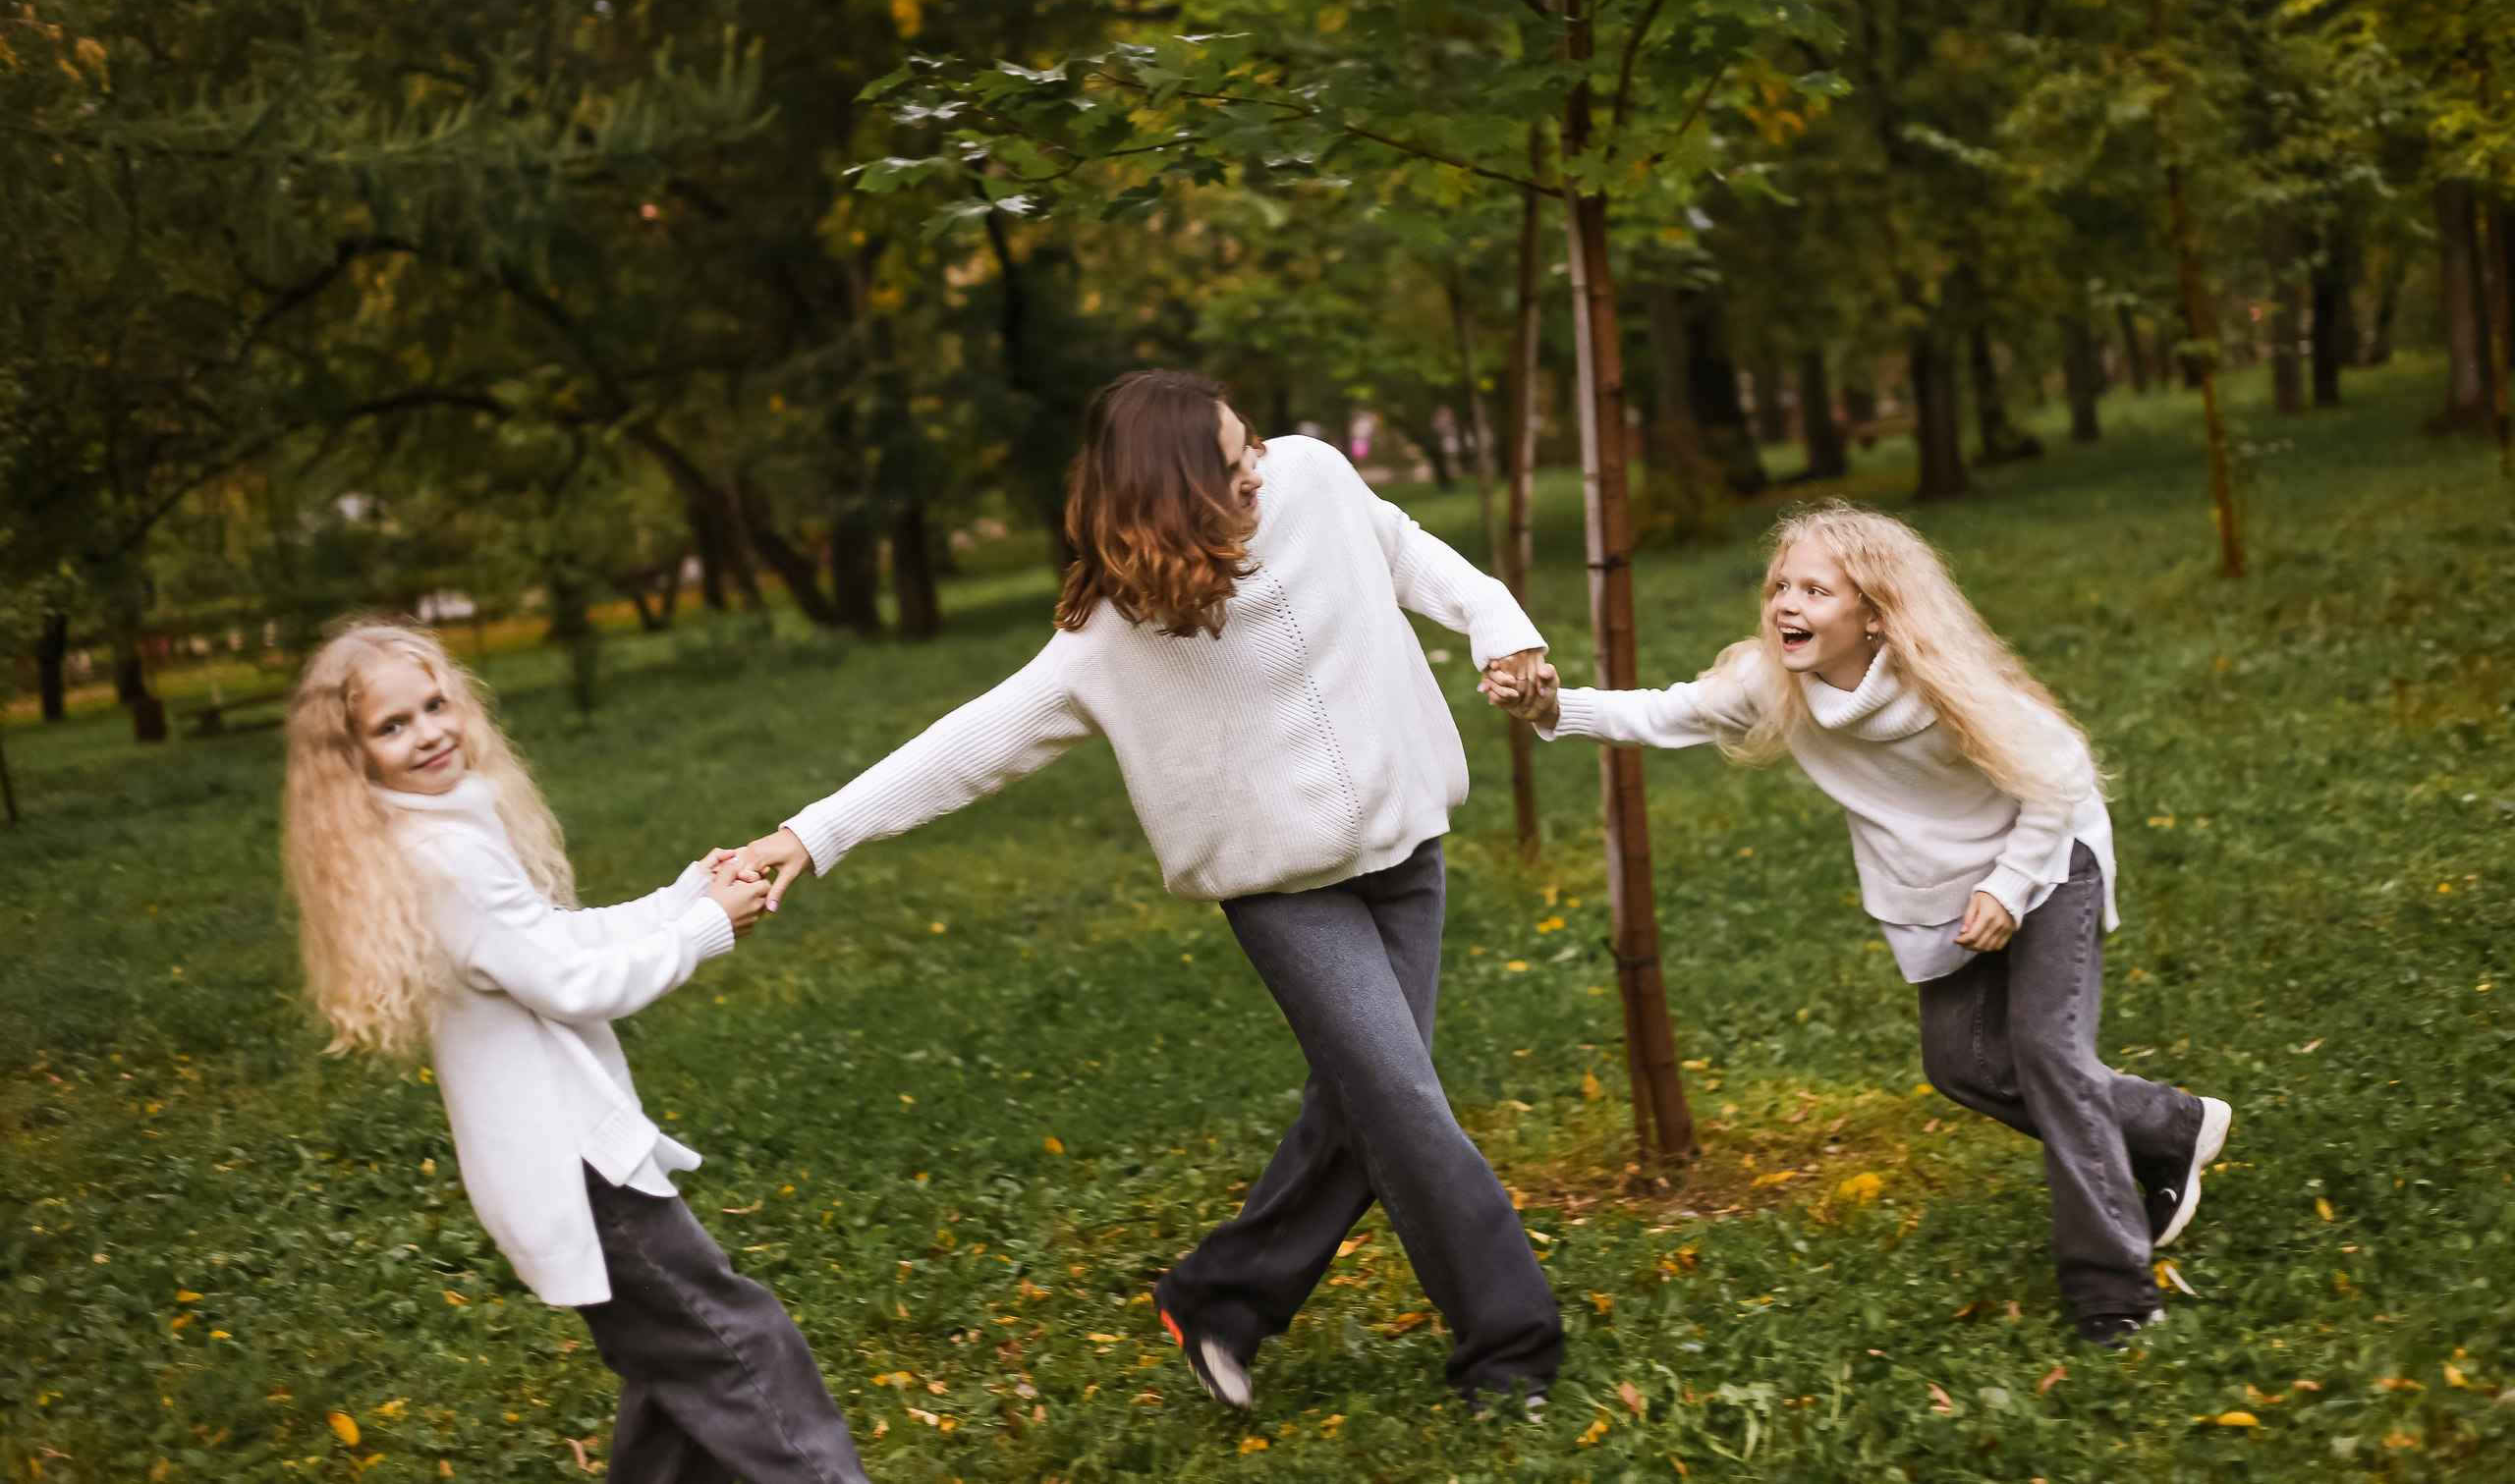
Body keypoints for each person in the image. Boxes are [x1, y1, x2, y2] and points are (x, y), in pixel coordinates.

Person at [740, 369, 1564, 1413]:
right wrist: (811, 835)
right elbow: (970, 746)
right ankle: (1510, 1352)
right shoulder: (1114, 636)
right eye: (1229, 467)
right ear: (1172, 494)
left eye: (1250, 442)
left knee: (1368, 1108)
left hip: (1407, 858)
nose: (1257, 468)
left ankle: (1219, 1299)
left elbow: (1411, 552)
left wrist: (1503, 630)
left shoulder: (1313, 477)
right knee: (1401, 1102)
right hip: (1285, 897)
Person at [1481, 502, 2231, 1349]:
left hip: (2049, 855)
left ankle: (2114, 1288)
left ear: (1873, 613)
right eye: (1778, 587)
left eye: (1815, 590)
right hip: (1944, 889)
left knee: (2050, 1054)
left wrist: (2013, 885)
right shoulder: (1776, 682)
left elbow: (2058, 771)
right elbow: (1666, 712)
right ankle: (2169, 1127)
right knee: (1964, 1064)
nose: (1786, 606)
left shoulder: (1938, 682)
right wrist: (1551, 705)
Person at [282, 622, 873, 1484]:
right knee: (736, 1343)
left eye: (435, 704)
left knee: (676, 1369)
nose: (430, 732)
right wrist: (708, 928)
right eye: (393, 726)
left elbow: (552, 940)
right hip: (578, 1172)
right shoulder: (443, 857)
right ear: (354, 757)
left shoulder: (443, 832)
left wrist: (682, 895)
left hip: (577, 1157)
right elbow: (573, 983)